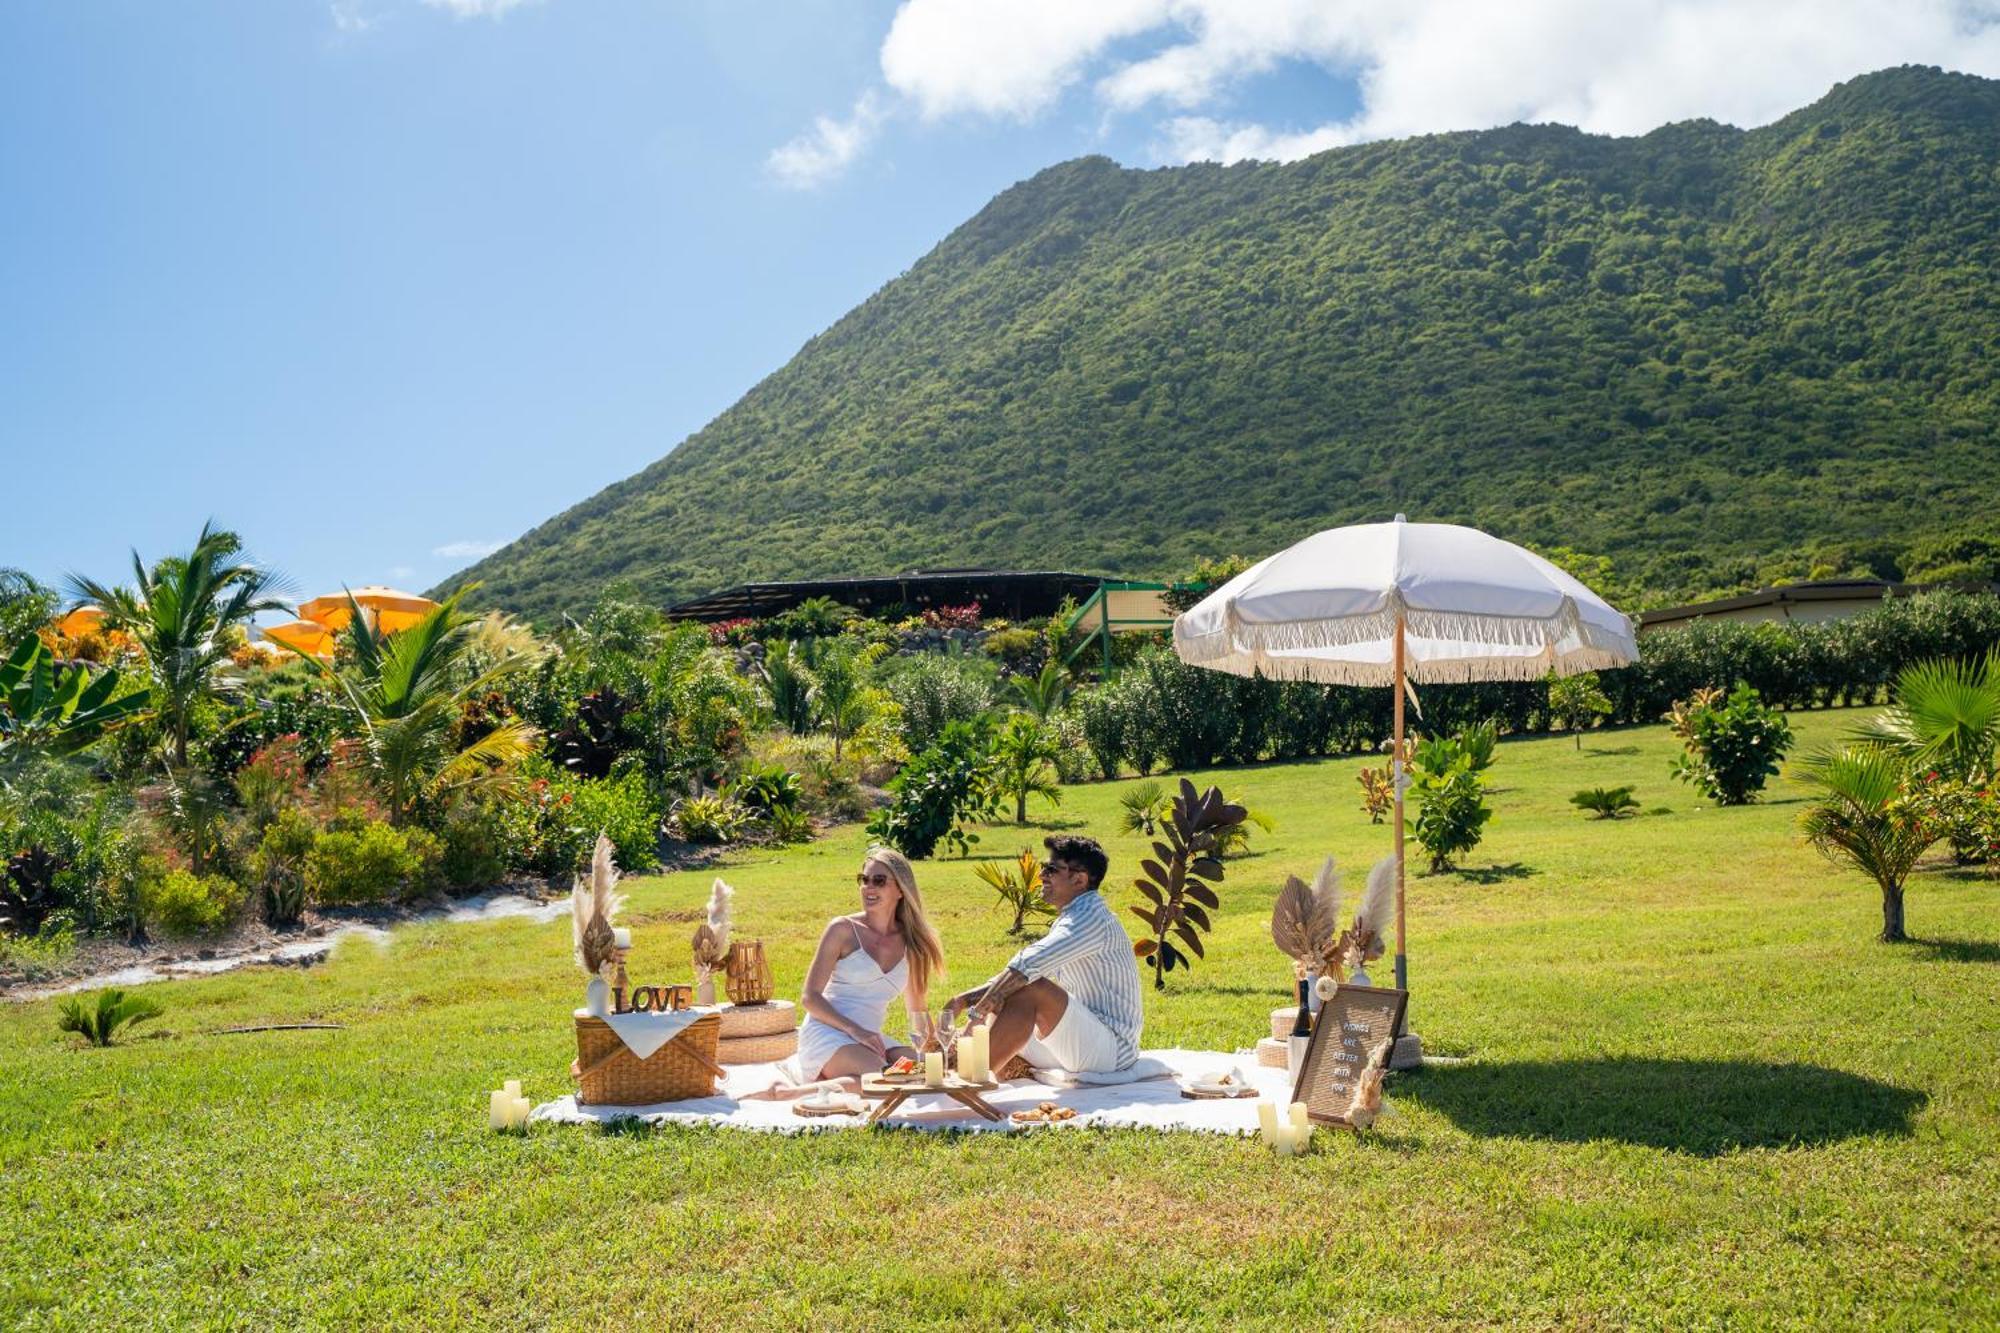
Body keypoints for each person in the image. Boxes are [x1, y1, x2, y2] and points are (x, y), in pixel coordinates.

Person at [944, 834, 1140, 1076]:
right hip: (1084, 1039)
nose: (1041, 876)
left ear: (1079, 880)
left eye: (1051, 869)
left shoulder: (1090, 918)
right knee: (1013, 989)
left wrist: (973, 1014)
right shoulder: (1073, 915)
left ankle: (972, 1078)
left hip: (1112, 1050)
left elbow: (1028, 966)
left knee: (1030, 989)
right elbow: (1021, 970)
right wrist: (963, 999)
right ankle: (985, 1063)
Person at [788, 845, 946, 1086]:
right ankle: (788, 1094)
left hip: (872, 1040)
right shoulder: (841, 929)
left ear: (901, 890)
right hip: (828, 1033)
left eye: (879, 881)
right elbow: (810, 997)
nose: (869, 888)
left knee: (924, 1072)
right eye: (864, 880)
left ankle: (825, 1087)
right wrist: (855, 1031)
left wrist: (934, 1053)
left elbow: (918, 1010)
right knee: (888, 1078)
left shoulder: (912, 943)